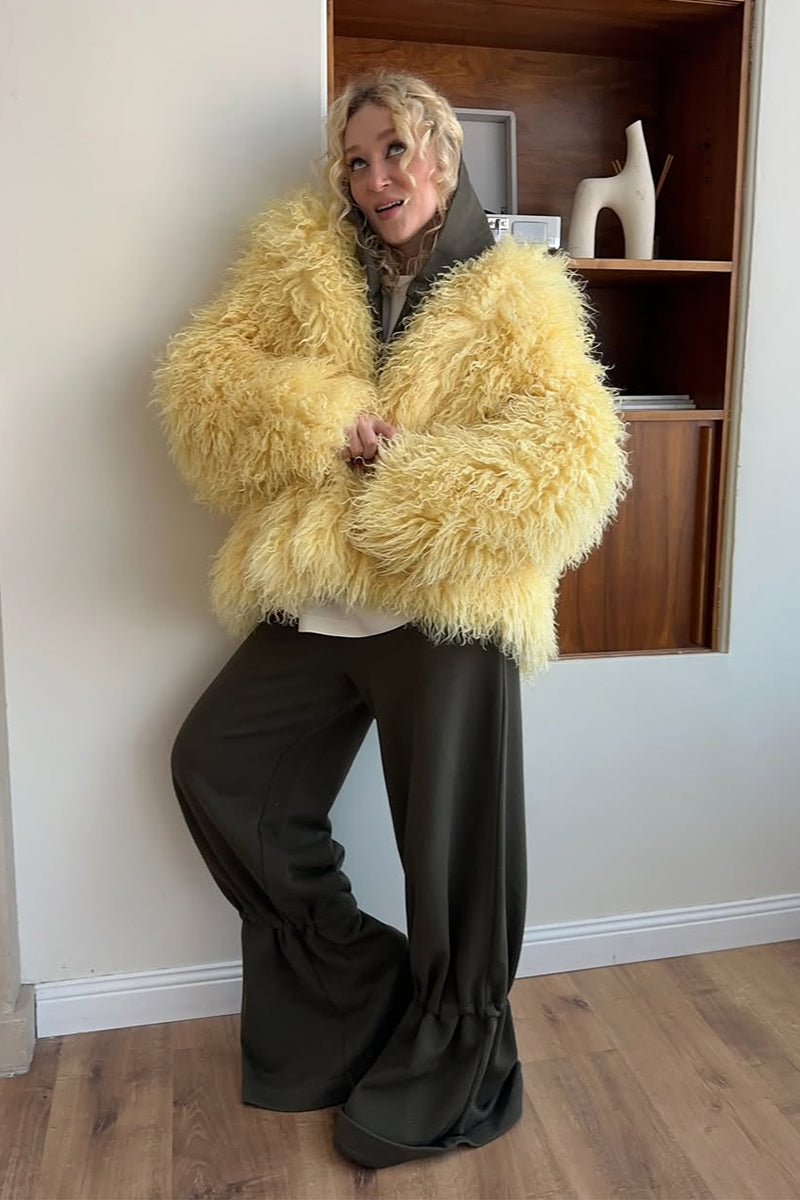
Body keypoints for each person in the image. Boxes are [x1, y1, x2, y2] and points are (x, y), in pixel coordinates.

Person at [152, 70, 630, 1169]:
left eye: (395, 151)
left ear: (442, 157)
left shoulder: (516, 292)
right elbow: (202, 390)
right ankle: (365, 988)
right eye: (357, 160)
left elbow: (573, 456)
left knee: (454, 859)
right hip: (322, 588)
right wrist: (322, 418)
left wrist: (413, 470)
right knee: (219, 768)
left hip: (446, 599)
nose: (376, 178)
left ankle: (460, 1053)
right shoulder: (299, 265)